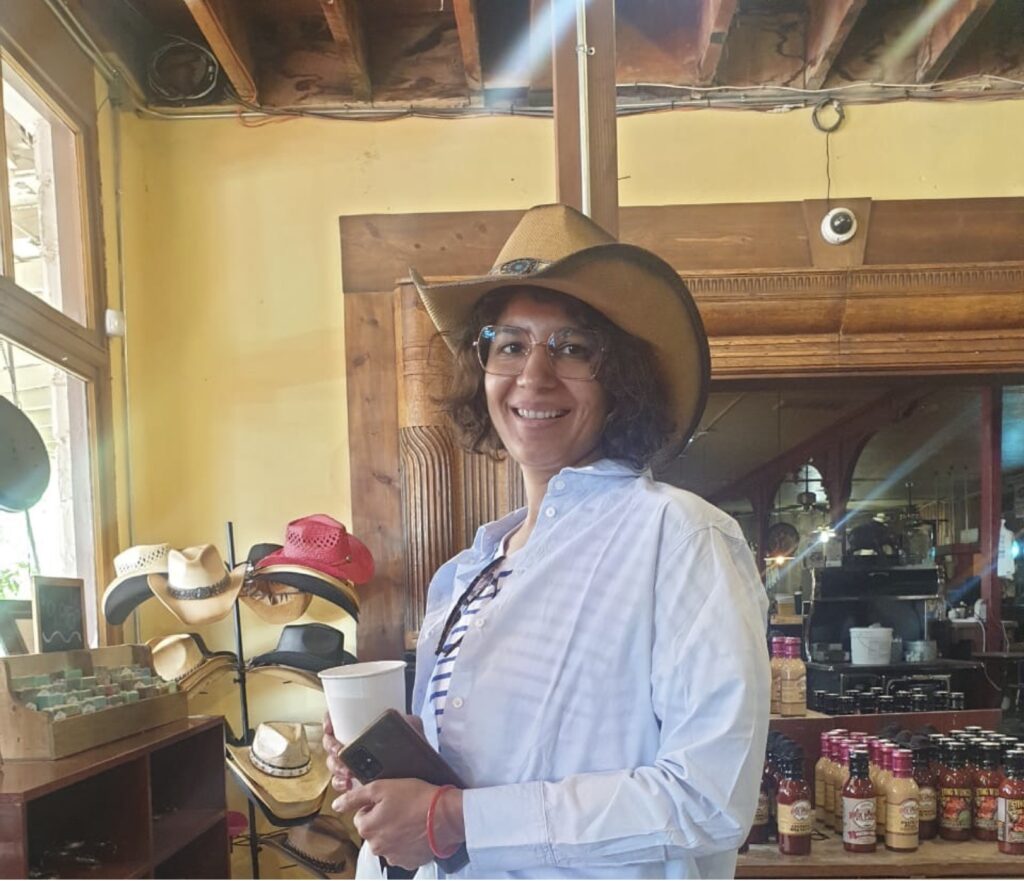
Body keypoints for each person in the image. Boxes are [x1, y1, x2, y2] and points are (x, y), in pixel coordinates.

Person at [326, 204, 770, 879]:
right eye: (509, 343)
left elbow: (709, 797)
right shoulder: (465, 573)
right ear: (483, 368)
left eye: (571, 346)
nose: (534, 374)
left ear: (620, 377)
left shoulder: (682, 539)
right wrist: (404, 762)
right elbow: (484, 775)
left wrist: (455, 818)